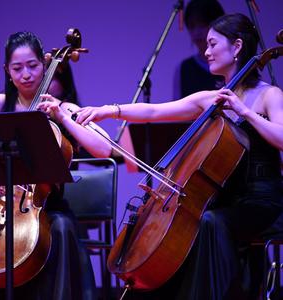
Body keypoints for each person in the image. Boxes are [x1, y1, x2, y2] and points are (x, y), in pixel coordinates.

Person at [71, 13, 283, 299]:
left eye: (212, 44)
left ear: (236, 47)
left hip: (263, 199)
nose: (205, 51)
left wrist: (245, 112)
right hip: (225, 198)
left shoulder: (270, 95)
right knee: (190, 228)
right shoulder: (212, 98)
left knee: (210, 222)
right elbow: (155, 111)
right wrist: (109, 110)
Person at [0, 31, 111, 300]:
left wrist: (63, 117)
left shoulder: (64, 108)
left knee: (62, 229)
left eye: (32, 66)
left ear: (45, 64)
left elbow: (104, 147)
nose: (26, 74)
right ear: (7, 71)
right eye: (17, 68)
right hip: (1, 202)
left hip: (45, 208)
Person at [173, 0, 225, 99]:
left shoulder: (232, 64)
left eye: (202, 25)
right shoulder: (184, 68)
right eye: (192, 26)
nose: (197, 32)